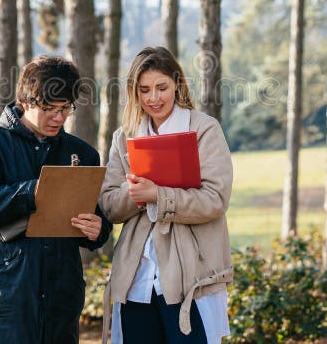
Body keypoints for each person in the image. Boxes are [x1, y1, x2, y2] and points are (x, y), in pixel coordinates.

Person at [0, 55, 112, 343]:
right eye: (49, 108)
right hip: (3, 301)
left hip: (60, 306)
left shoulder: (82, 154)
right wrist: (32, 191)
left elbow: (95, 218)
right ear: (25, 101)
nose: (58, 117)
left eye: (66, 109)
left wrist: (97, 229)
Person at [99, 46, 234, 344]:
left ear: (177, 84)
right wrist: (134, 193)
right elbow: (109, 204)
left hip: (190, 279)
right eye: (144, 90)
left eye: (162, 87)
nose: (153, 98)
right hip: (136, 280)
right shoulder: (124, 136)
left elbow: (215, 199)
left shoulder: (203, 129)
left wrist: (158, 195)